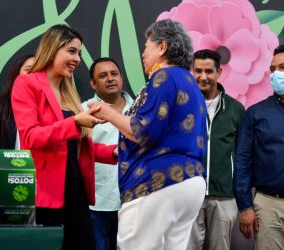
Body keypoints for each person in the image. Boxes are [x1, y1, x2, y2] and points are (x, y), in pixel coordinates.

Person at [88, 19, 207, 250]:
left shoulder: (164, 77)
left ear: (161, 47)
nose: (143, 53)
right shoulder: (188, 81)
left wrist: (107, 112)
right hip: (190, 183)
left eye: (146, 46)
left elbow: (142, 131)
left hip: (158, 181)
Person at [11, 24, 117, 250]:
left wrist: (113, 152)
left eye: (79, 52)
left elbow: (75, 148)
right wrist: (75, 122)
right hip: (46, 192)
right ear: (52, 48)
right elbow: (30, 137)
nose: (77, 59)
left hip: (76, 187)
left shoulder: (69, 90)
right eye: (71, 51)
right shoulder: (27, 83)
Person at [233, 44, 284, 249]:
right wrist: (245, 206)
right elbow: (242, 162)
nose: (276, 74)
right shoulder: (255, 114)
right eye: (273, 69)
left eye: (283, 67)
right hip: (269, 205)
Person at [187, 49, 244, 250]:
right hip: (190, 194)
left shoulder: (236, 109)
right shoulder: (183, 106)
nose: (203, 77)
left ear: (219, 72)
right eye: (198, 70)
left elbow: (242, 154)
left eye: (209, 71)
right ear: (191, 71)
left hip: (224, 196)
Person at [82, 57, 134, 250]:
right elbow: (80, 152)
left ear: (121, 77)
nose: (110, 79)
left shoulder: (141, 108)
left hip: (133, 198)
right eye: (102, 76)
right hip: (97, 200)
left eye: (114, 74)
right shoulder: (83, 110)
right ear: (93, 84)